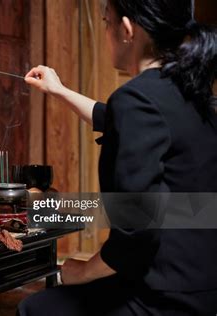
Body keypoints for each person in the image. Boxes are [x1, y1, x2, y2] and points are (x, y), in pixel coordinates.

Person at [19, 0, 217, 315]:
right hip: (202, 284)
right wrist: (59, 90)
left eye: (106, 22)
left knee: (34, 308)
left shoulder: (137, 98)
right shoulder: (186, 90)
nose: (106, 31)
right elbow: (113, 117)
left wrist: (81, 271)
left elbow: (136, 234)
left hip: (163, 297)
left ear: (126, 30)